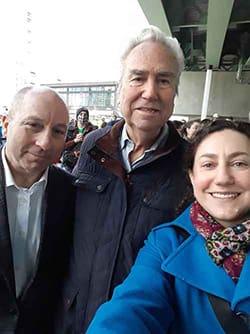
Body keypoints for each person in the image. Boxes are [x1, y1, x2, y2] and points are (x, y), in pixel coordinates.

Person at [61, 26, 190, 332]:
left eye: (163, 80)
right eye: (138, 77)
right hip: (74, 319)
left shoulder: (192, 166)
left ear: (175, 93)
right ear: (120, 87)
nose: (149, 91)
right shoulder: (93, 145)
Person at [87, 119, 250, 333]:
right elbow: (132, 308)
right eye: (208, 165)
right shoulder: (167, 243)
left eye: (239, 163)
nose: (223, 178)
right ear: (192, 176)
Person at [0, 86, 75, 333]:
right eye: (33, 125)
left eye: (58, 131)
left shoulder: (69, 192)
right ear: (6, 124)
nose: (45, 143)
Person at [61, 107, 96, 172]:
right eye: (81, 114)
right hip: (69, 162)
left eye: (85, 115)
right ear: (77, 116)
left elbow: (96, 147)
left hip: (85, 164)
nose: (83, 117)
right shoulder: (68, 129)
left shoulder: (93, 130)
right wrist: (74, 141)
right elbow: (62, 147)